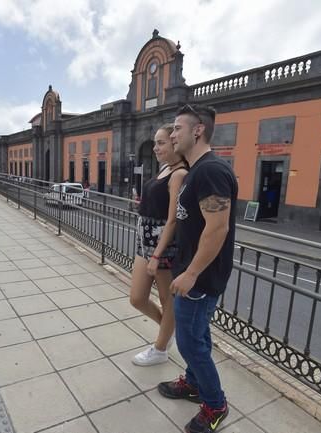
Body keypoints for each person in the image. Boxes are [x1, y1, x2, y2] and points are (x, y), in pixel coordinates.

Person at [158, 104, 237, 433]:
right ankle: (193, 383)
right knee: (196, 335)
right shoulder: (197, 170)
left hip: (200, 278)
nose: (172, 134)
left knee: (191, 343)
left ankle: (216, 405)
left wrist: (191, 273)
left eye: (177, 128)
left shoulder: (211, 171)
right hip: (192, 273)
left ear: (198, 130)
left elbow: (217, 228)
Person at [130, 123, 187, 366]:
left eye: (161, 143)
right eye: (155, 143)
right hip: (145, 243)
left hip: (163, 248)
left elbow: (173, 218)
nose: (155, 147)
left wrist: (157, 255)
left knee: (167, 300)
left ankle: (160, 349)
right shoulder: (165, 168)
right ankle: (169, 328)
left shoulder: (179, 173)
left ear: (176, 144)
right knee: (137, 298)